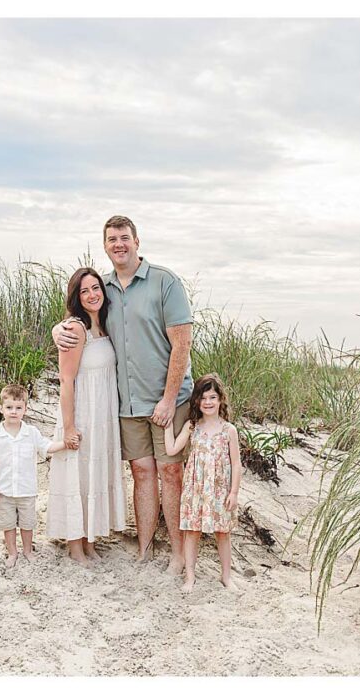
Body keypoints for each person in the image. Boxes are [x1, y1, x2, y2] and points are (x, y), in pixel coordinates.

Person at [53, 216, 193, 575]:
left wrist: (168, 397)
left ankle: (178, 554)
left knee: (171, 474)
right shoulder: (106, 288)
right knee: (142, 473)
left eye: (125, 238)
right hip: (126, 404)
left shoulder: (165, 282)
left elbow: (182, 345)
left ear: (137, 241)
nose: (119, 244)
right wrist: (60, 327)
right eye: (112, 239)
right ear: (105, 245)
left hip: (167, 401)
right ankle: (145, 549)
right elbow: (82, 317)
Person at [46, 267, 128, 566]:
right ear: (76, 297)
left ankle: (90, 541)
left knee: (93, 477)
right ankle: (75, 546)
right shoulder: (75, 329)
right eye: (84, 291)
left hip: (102, 414)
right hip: (81, 412)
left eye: (96, 288)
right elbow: (66, 381)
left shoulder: (103, 325)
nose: (92, 294)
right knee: (76, 476)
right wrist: (68, 427)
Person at [163, 373, 242, 592]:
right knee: (192, 531)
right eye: (203, 398)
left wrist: (233, 492)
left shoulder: (229, 430)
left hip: (219, 490)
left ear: (220, 400)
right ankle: (190, 577)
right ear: (197, 400)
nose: (208, 402)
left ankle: (226, 576)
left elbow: (236, 464)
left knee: (222, 532)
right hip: (195, 489)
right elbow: (172, 449)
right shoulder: (192, 426)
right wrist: (167, 426)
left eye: (212, 397)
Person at [0, 384, 77, 568]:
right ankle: (12, 552)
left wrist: (65, 443)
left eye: (18, 408)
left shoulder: (31, 433)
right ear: (1, 408)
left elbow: (47, 447)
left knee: (27, 523)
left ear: (25, 409)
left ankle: (27, 550)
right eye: (9, 407)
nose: (13, 412)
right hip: (4, 490)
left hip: (27, 490)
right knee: (8, 524)